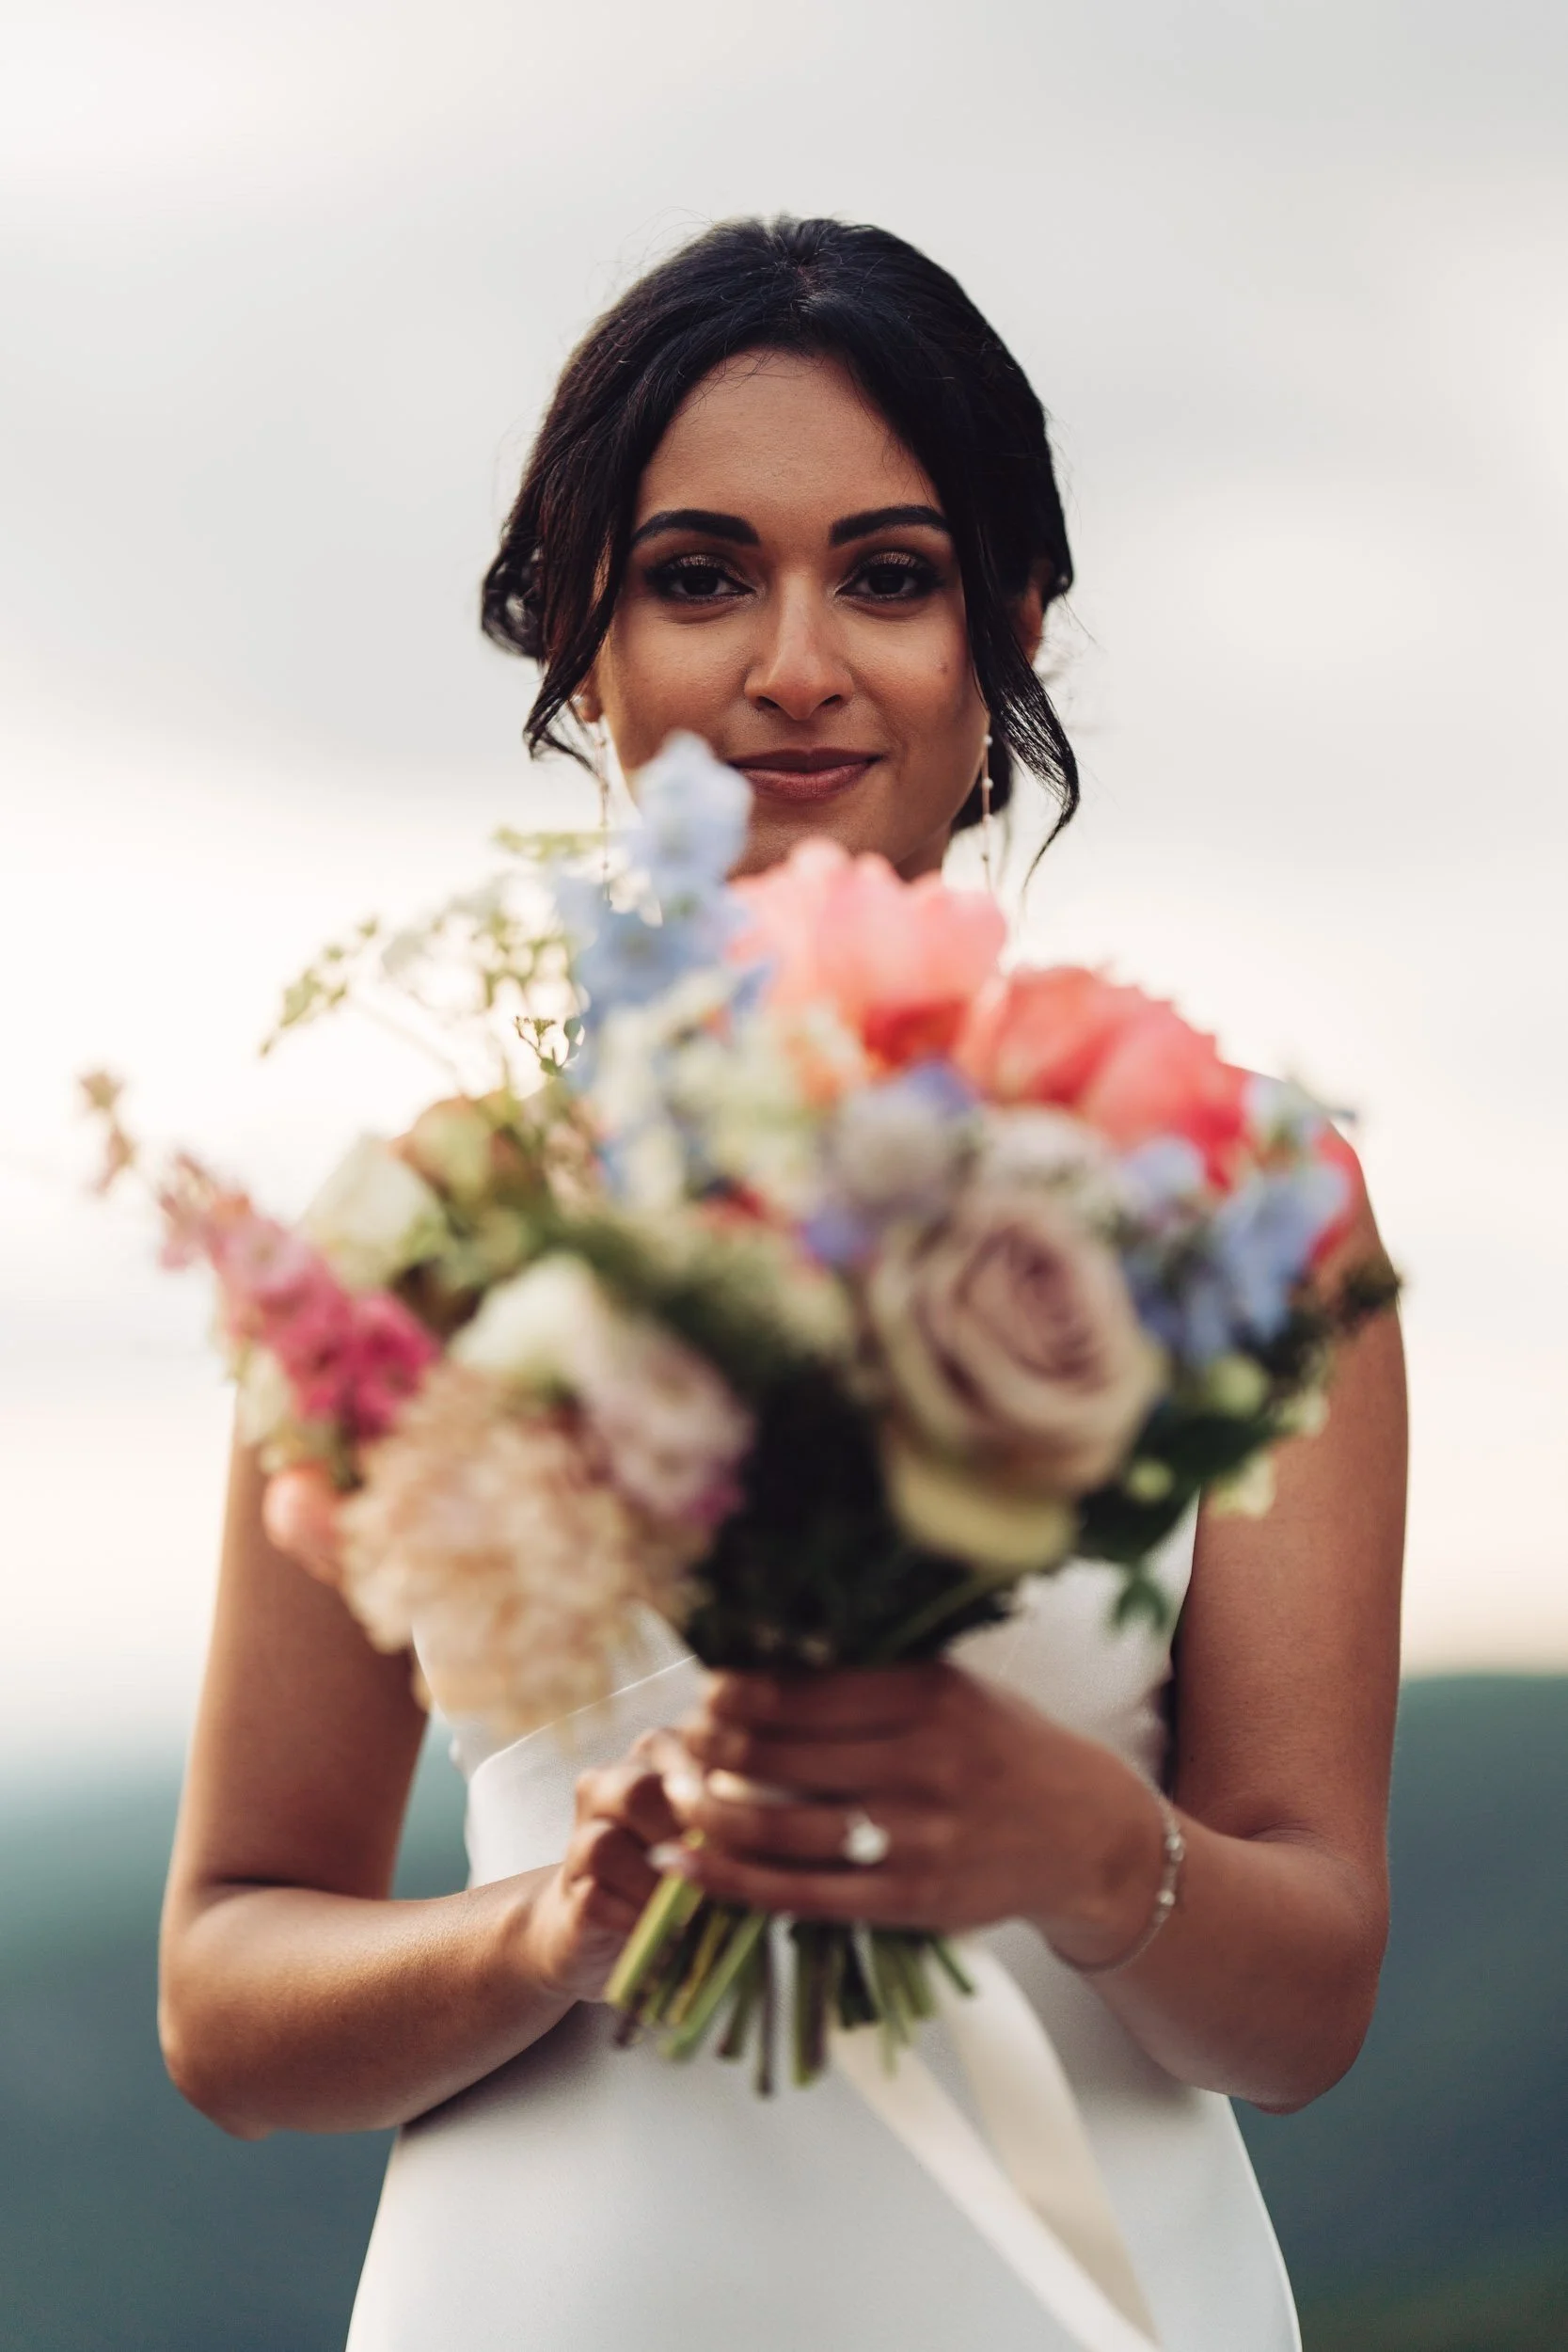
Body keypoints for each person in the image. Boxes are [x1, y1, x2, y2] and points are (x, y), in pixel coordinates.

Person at [158, 217, 1407, 2352]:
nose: (792, 661)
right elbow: (227, 1992)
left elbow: (1299, 2013)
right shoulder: (431, 1234)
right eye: (700, 573)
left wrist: (1079, 1831)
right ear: (586, 642)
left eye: (890, 574)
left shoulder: (1230, 1192)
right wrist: (548, 1924)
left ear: (1007, 624)